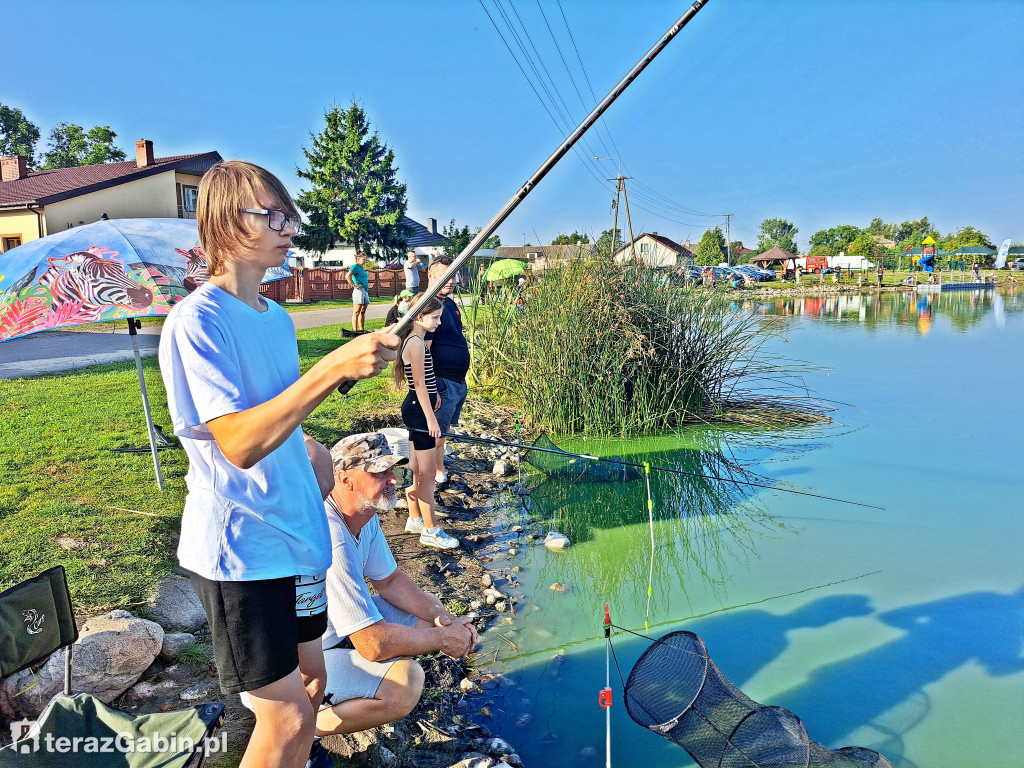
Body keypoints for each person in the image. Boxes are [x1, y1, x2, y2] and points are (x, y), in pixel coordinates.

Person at [158, 160, 399, 768]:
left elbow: (275, 418)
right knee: (286, 715)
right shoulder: (199, 320)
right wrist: (331, 370)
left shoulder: (277, 319)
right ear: (223, 223)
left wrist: (311, 453)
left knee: (313, 687)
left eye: (290, 214)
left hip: (297, 537)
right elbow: (236, 441)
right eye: (274, 215)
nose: (290, 227)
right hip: (242, 548)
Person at [314, 433, 476, 739]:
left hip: (334, 631)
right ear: (345, 479)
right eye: (380, 473)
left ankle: (354, 693)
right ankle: (303, 726)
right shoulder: (331, 536)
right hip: (300, 664)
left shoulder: (363, 513)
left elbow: (389, 580)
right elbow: (373, 644)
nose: (393, 481)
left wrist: (447, 622)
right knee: (406, 683)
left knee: (429, 611)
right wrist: (443, 638)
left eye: (393, 471)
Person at [392, 294, 460, 549]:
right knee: (428, 474)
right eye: (435, 317)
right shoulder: (417, 343)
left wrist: (435, 398)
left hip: (419, 407)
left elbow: (425, 380)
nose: (439, 322)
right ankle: (430, 531)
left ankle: (414, 518)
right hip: (420, 413)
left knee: (419, 470)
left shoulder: (416, 339)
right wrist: (432, 418)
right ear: (420, 316)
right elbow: (418, 383)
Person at [426, 256, 471, 486]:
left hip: (456, 382)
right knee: (436, 432)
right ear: (430, 275)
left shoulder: (449, 303)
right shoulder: (430, 305)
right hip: (442, 382)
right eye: (445, 275)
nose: (450, 280)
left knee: (443, 431)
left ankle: (438, 468)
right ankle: (434, 474)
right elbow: (424, 351)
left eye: (453, 274)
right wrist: (431, 388)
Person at [348, 252, 370, 332]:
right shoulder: (355, 267)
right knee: (356, 312)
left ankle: (361, 330)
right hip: (359, 291)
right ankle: (355, 331)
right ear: (358, 259)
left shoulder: (362, 268)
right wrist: (354, 285)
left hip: (365, 290)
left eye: (365, 259)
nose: (365, 261)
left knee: (363, 311)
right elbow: (348, 276)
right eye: (363, 259)